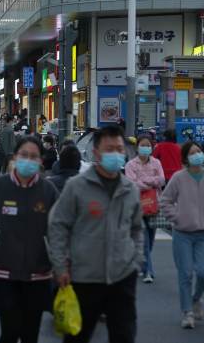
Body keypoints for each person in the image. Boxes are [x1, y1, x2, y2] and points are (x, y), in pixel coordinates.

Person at [49, 125, 143, 343]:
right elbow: (58, 226)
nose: (116, 154)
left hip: (122, 277)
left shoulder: (130, 189)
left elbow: (136, 229)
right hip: (83, 278)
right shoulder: (77, 186)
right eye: (109, 149)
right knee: (77, 337)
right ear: (96, 152)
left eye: (120, 149)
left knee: (124, 336)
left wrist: (136, 259)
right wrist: (60, 266)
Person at [0, 136, 59, 343]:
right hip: (4, 274)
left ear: (41, 161)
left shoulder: (48, 191)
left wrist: (62, 268)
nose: (28, 160)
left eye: (34, 156)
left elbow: (57, 234)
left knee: (30, 335)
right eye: (24, 155)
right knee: (9, 333)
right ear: (14, 157)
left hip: (38, 275)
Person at [161, 141, 204, 329]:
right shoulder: (178, 178)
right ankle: (187, 312)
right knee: (186, 274)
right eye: (192, 152)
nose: (197, 154)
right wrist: (176, 218)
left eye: (198, 151)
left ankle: (196, 298)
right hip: (182, 234)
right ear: (186, 158)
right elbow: (165, 200)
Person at [124, 135, 165, 284]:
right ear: (137, 147)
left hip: (154, 205)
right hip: (137, 205)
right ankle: (149, 271)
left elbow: (162, 179)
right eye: (143, 145)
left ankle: (143, 263)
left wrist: (144, 182)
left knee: (151, 237)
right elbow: (132, 183)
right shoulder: (130, 164)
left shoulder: (156, 162)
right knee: (145, 239)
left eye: (148, 145)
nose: (146, 148)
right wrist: (151, 183)